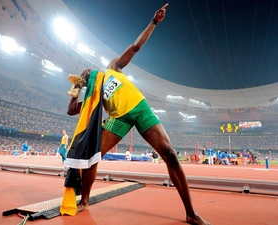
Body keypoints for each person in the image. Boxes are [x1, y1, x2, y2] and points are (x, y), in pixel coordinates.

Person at [66, 4, 210, 225]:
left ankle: (190, 213)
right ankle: (84, 200)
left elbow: (134, 47)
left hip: (140, 108)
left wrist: (153, 22)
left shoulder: (112, 67)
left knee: (170, 153)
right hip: (118, 119)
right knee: (93, 157)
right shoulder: (93, 94)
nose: (86, 72)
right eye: (83, 76)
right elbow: (71, 111)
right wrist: (75, 92)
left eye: (86, 70)